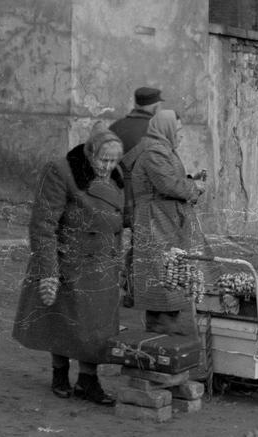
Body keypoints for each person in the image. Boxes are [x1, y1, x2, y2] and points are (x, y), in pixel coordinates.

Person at [12, 123, 124, 406]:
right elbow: (43, 224)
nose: (108, 167)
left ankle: (88, 380)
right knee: (63, 321)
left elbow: (120, 218)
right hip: (69, 261)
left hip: (102, 264)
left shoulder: (118, 177)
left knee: (95, 328)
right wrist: (49, 271)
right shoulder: (62, 171)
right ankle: (59, 374)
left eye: (113, 161)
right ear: (89, 153)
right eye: (103, 160)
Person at [127, 110, 207, 335]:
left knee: (172, 279)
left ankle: (169, 336)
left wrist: (191, 180)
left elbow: (170, 181)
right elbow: (169, 185)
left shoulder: (163, 151)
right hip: (156, 224)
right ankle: (161, 340)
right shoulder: (154, 153)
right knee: (162, 282)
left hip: (165, 222)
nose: (181, 136)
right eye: (178, 131)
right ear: (167, 130)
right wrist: (194, 188)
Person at [110, 87, 164, 308]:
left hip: (113, 194)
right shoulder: (154, 129)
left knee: (110, 245)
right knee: (140, 246)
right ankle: (133, 292)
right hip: (141, 197)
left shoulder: (116, 126)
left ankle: (107, 292)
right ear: (154, 105)